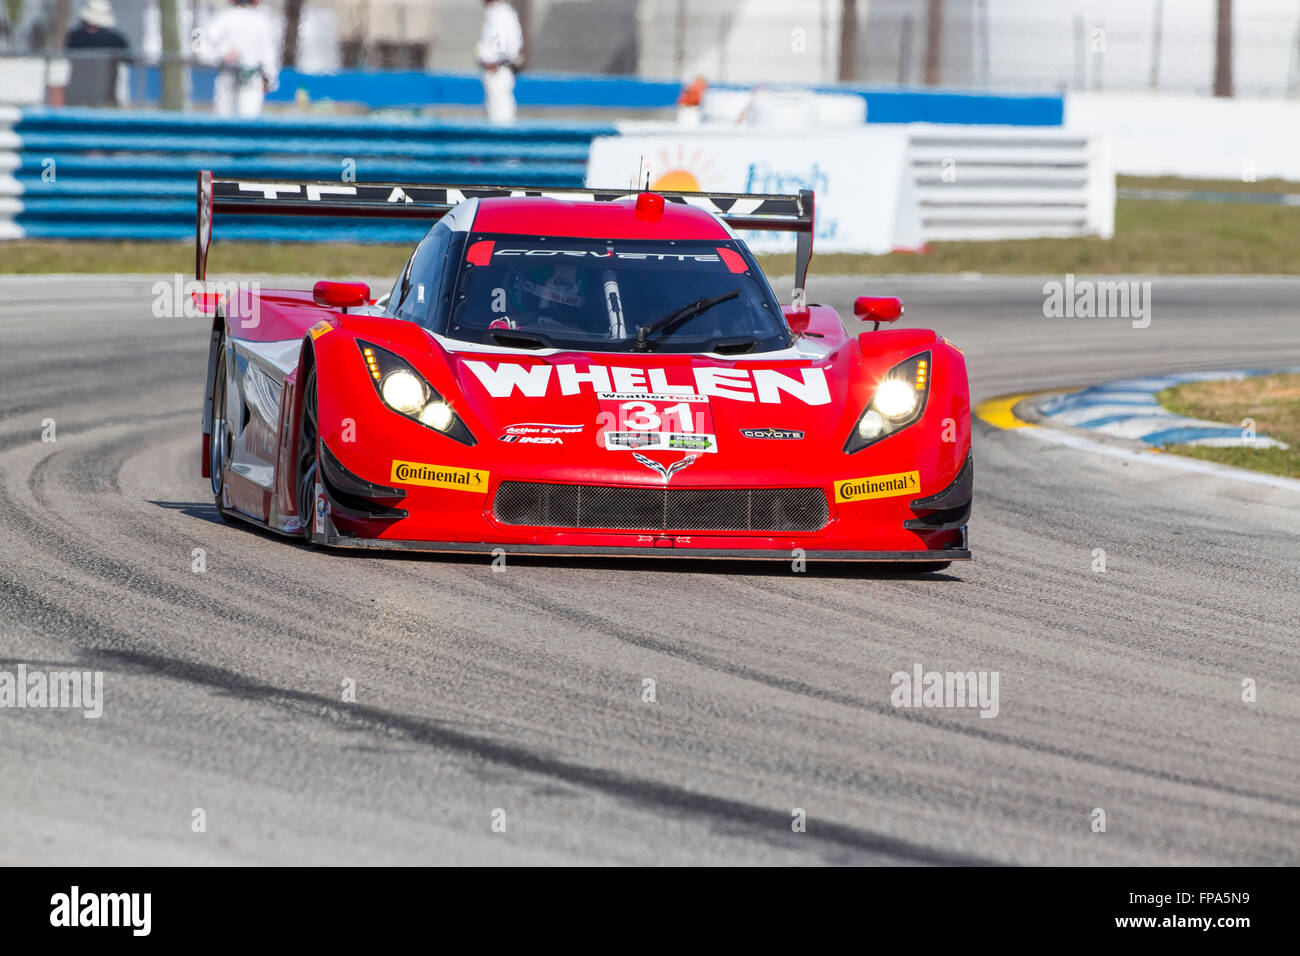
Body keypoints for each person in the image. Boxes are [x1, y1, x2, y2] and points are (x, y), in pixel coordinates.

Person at [204, 0, 279, 118]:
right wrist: (269, 79)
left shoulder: (226, 17)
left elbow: (205, 44)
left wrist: (221, 53)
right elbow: (268, 55)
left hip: (246, 75)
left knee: (226, 120)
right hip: (233, 74)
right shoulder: (261, 20)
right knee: (246, 120)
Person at [65, 0, 130, 107]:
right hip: (104, 93)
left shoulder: (75, 36)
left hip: (80, 93)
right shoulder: (115, 39)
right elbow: (128, 58)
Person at [476, 0, 523, 125]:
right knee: (498, 111)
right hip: (500, 68)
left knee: (499, 116)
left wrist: (493, 61)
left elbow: (500, 42)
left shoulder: (498, 13)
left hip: (497, 70)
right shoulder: (503, 11)